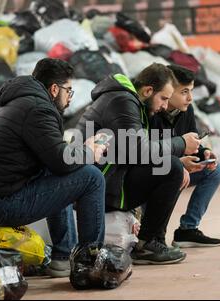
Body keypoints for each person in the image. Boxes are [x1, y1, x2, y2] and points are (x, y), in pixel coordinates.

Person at [0, 58, 107, 277]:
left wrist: (81, 150)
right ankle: (91, 262)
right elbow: (61, 159)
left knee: (62, 171)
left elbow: (54, 156)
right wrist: (89, 153)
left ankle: (63, 257)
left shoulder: (24, 102)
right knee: (92, 177)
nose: (70, 98)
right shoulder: (37, 109)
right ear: (54, 88)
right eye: (69, 91)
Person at [76, 63, 201, 265]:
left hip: (111, 177)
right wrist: (181, 144)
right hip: (100, 185)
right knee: (170, 167)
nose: (163, 106)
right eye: (164, 98)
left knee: (171, 166)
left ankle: (153, 240)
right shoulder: (122, 101)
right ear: (148, 90)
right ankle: (148, 243)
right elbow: (138, 150)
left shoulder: (131, 102)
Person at [150, 64, 220, 248]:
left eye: (191, 91)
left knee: (214, 170)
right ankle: (153, 239)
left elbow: (192, 142)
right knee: (174, 173)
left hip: (174, 167)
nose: (190, 98)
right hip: (149, 176)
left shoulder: (186, 110)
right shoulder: (152, 112)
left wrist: (203, 152)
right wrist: (179, 164)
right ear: (168, 90)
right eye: (184, 92)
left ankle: (187, 230)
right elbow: (146, 156)